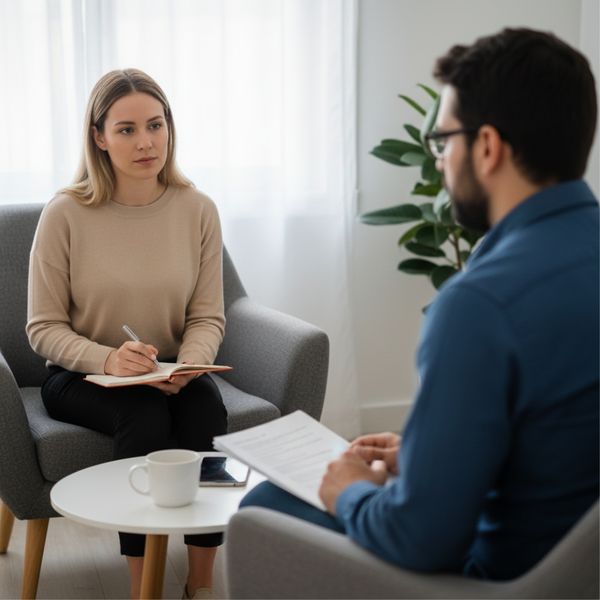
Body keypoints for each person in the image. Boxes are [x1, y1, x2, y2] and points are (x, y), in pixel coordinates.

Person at [241, 27, 599, 581]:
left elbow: (421, 538)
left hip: (505, 580)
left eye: (443, 142)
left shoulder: (481, 303)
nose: (439, 163)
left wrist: (350, 494)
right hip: (576, 567)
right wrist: (430, 454)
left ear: (486, 147)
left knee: (264, 506)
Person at [27, 69, 227, 600]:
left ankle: (201, 584)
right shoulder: (64, 213)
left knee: (206, 410)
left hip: (168, 370)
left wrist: (188, 366)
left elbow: (208, 315)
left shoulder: (198, 209)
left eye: (155, 125)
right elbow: (42, 328)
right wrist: (109, 360)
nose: (145, 142)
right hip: (81, 374)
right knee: (141, 415)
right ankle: (146, 589)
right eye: (126, 129)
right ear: (98, 136)